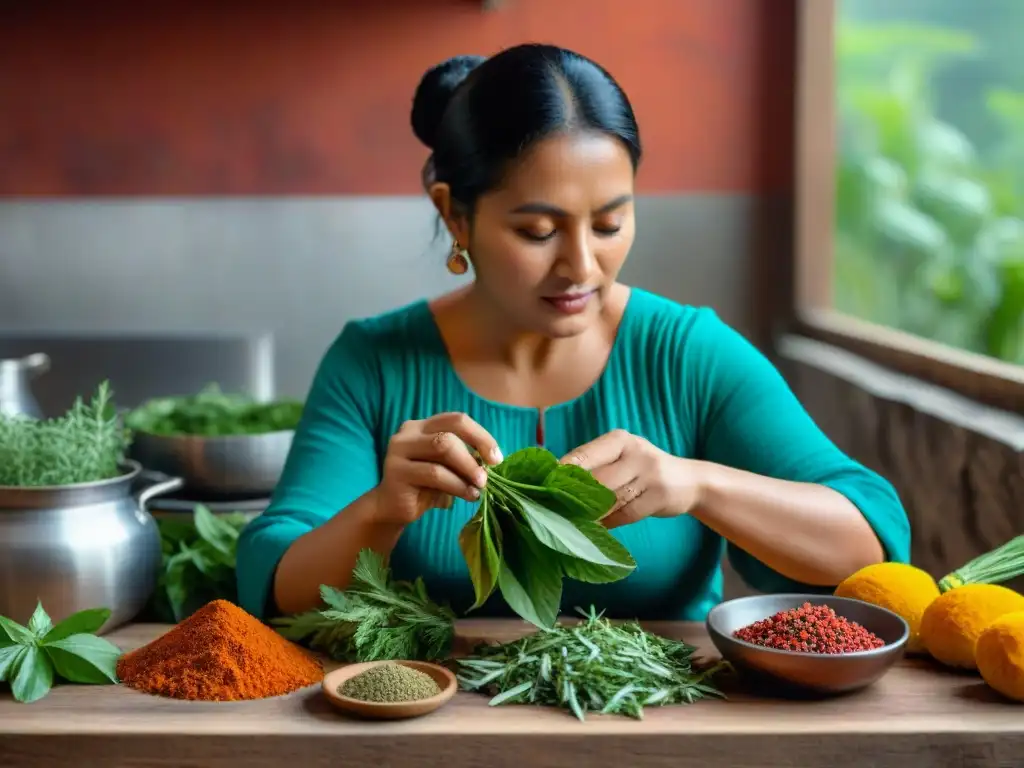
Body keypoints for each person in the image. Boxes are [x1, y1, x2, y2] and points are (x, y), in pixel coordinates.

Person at [236, 43, 911, 623]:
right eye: (537, 231)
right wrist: (382, 512)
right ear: (456, 217)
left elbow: (870, 540)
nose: (582, 266)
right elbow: (273, 584)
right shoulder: (374, 365)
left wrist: (697, 484)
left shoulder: (688, 355)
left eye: (611, 224)